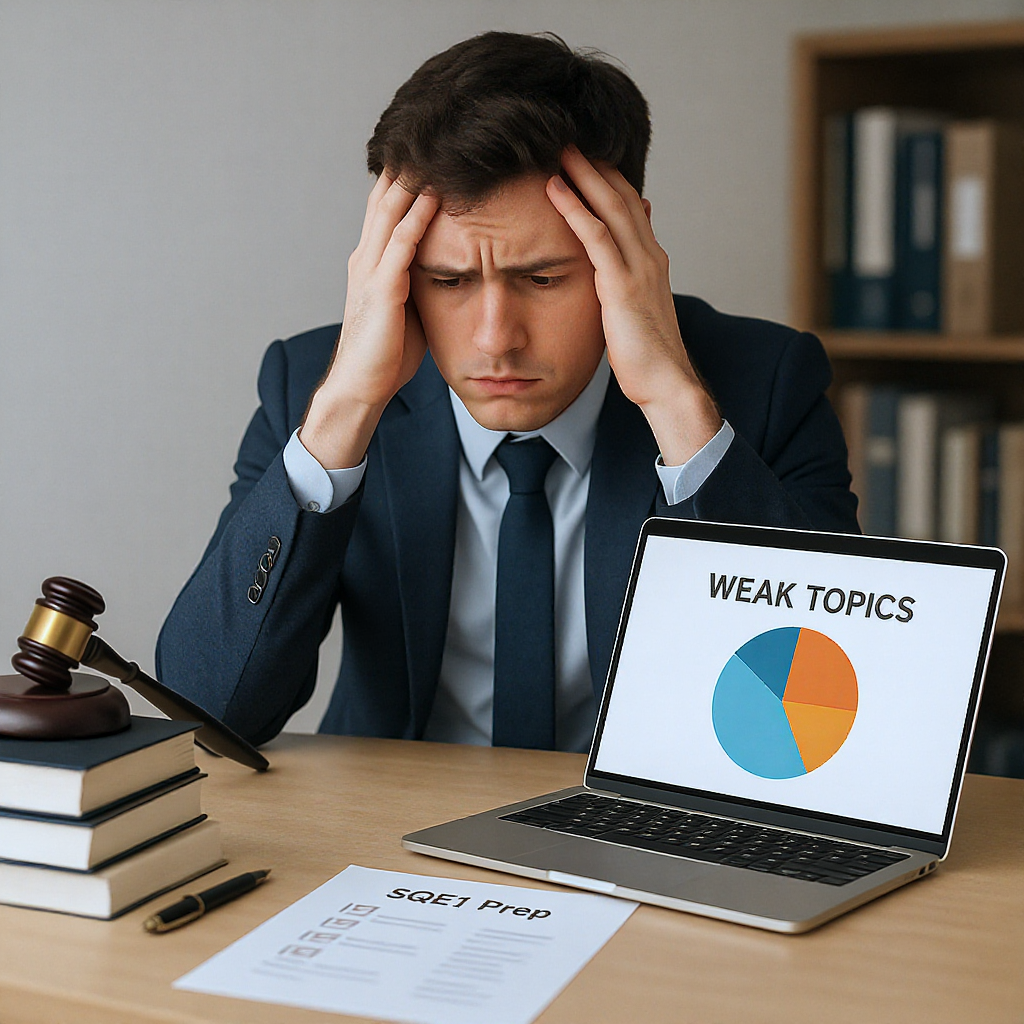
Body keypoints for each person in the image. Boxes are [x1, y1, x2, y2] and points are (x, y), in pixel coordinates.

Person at [156, 31, 858, 753]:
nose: (496, 338)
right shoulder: (310, 388)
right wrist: (342, 417)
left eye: (542, 278)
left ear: (630, 252)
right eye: (449, 282)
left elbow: (828, 709)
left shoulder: (764, 381)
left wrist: (679, 410)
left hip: (647, 837)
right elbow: (209, 712)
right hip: (382, 828)